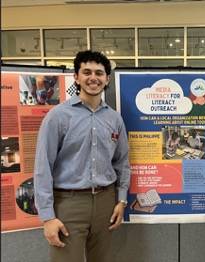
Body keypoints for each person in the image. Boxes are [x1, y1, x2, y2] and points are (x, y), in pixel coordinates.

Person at [34, 50, 130, 262]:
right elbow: (43, 168)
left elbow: (122, 163)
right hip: (69, 204)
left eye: (99, 73)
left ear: (107, 79)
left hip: (106, 202)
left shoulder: (114, 119)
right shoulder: (58, 116)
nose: (93, 77)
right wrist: (48, 217)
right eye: (86, 72)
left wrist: (121, 201)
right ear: (76, 77)